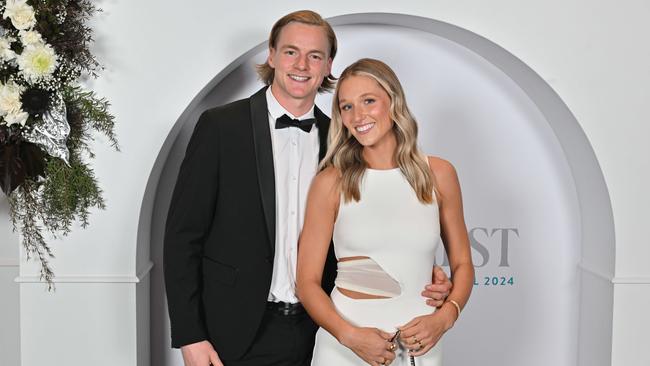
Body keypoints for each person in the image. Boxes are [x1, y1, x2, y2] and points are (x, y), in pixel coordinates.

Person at [164, 11, 452, 366]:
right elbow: (182, 237)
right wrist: (191, 335)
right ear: (271, 55)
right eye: (290, 52)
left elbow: (370, 229)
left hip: (320, 330)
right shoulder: (220, 128)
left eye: (315, 55)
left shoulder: (345, 138)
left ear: (328, 64)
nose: (302, 64)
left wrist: (426, 276)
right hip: (232, 332)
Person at [296, 58, 474, 366]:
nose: (358, 115)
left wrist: (444, 319)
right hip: (343, 348)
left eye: (368, 101)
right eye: (346, 106)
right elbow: (307, 282)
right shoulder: (330, 182)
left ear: (393, 102)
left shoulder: (439, 174)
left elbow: (462, 264)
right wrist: (350, 336)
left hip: (419, 346)